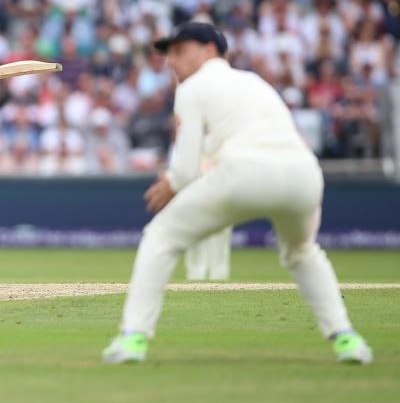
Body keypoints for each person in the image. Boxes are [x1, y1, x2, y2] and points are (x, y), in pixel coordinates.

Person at [102, 22, 373, 365]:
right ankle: (347, 339)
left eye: (179, 51)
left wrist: (170, 183)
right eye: (169, 53)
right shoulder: (255, 82)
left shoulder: (192, 87)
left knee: (160, 237)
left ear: (209, 50)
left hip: (246, 173)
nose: (171, 61)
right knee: (303, 252)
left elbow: (185, 171)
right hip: (304, 175)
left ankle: (132, 339)